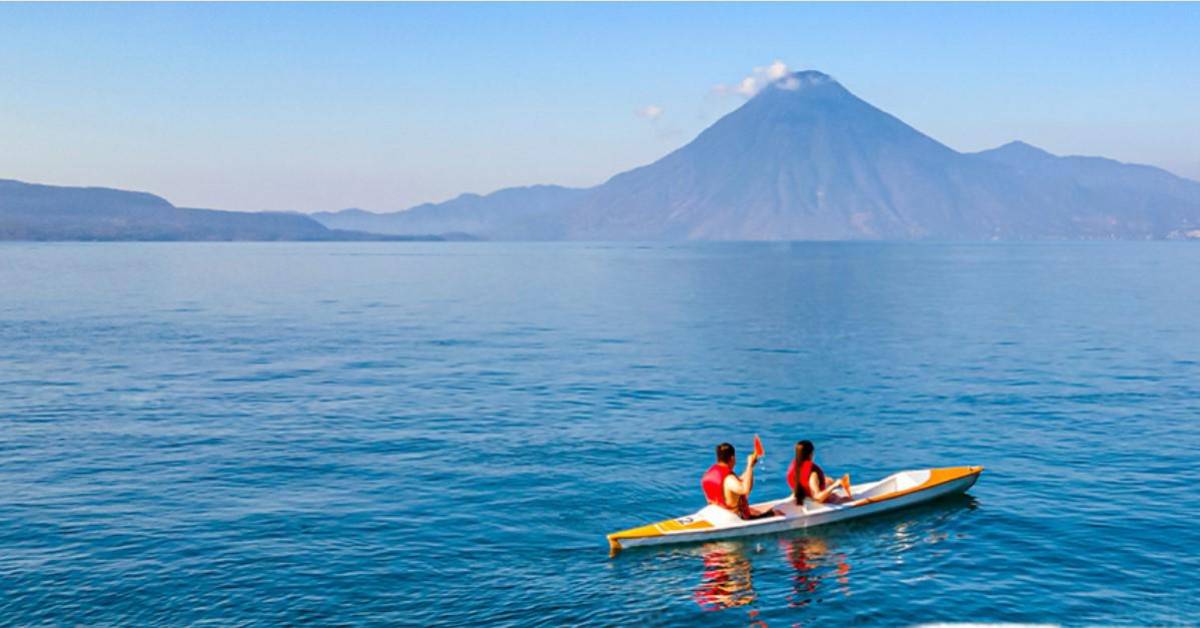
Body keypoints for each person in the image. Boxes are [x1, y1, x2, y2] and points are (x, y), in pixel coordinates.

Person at [701, 442, 775, 519]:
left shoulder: (707, 475)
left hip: (716, 515)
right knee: (775, 513)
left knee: (754, 510)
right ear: (732, 458)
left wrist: (750, 467)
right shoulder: (729, 479)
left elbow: (737, 483)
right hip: (734, 519)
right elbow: (745, 489)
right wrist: (749, 465)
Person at [787, 440, 853, 504]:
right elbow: (818, 498)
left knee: (828, 480)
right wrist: (834, 485)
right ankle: (839, 485)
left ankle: (840, 483)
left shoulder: (796, 466)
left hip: (804, 495)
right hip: (813, 501)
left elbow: (801, 483)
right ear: (811, 454)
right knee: (846, 499)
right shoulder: (813, 474)